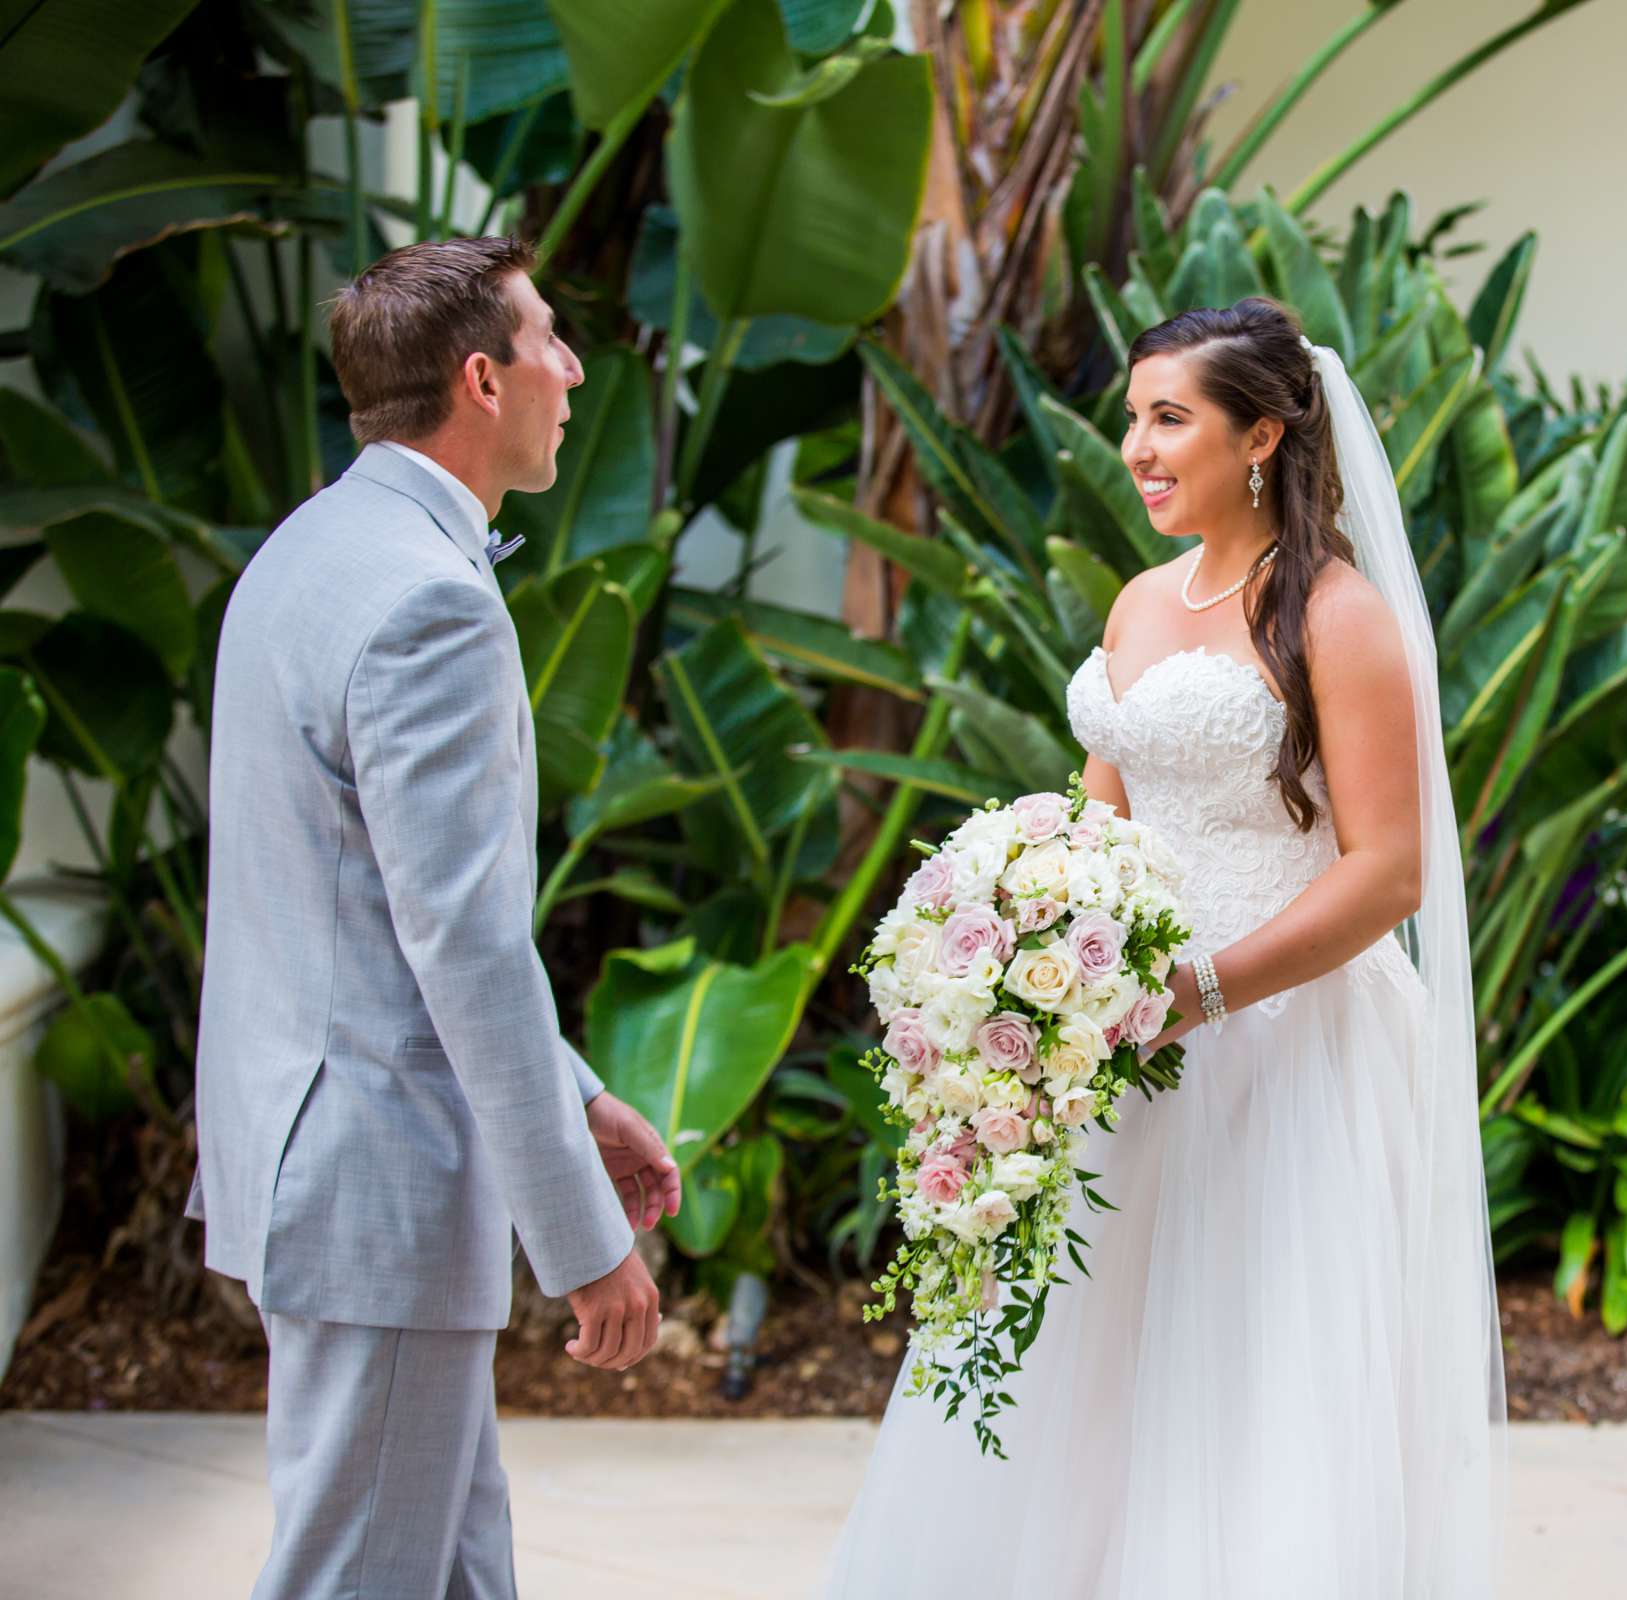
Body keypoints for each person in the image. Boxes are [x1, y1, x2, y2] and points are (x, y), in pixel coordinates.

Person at [820, 297, 1505, 1596]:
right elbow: (1105, 813)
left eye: (1167, 418)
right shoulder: (1140, 601)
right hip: (1121, 1036)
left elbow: (1388, 872)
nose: (1135, 444)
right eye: (1132, 417)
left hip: (1287, 1042)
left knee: (1249, 1387)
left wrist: (1206, 988)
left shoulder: (1339, 616)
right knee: (1082, 1375)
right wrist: (1031, 940)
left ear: (1260, 433)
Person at [186, 234, 682, 1599]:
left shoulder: (316, 547)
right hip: (378, 1181)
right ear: (481, 377)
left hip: (321, 1158)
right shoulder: (428, 604)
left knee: (458, 1576)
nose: (574, 369)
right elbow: (460, 944)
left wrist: (576, 1099)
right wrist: (583, 1239)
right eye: (548, 339)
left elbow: (371, 908)